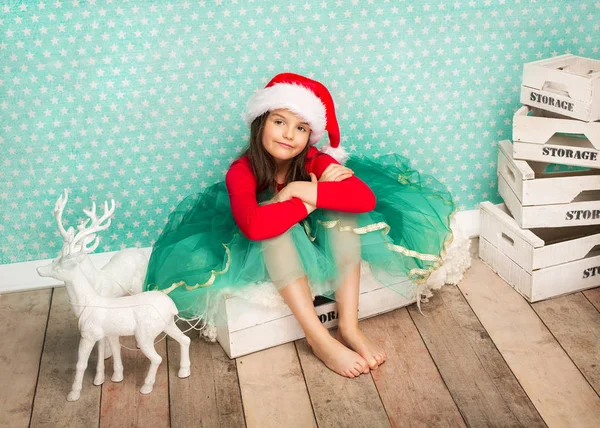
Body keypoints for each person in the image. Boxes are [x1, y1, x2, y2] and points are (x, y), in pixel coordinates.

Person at [144, 73, 457, 378]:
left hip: (317, 238)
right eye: (279, 121)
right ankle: (318, 338)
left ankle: (349, 326)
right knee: (276, 226)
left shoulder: (312, 159)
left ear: (310, 136)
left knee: (344, 213)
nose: (288, 134)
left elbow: (364, 200)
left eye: (301, 128)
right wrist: (308, 200)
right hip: (263, 249)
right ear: (261, 122)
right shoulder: (241, 171)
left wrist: (297, 190)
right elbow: (254, 228)